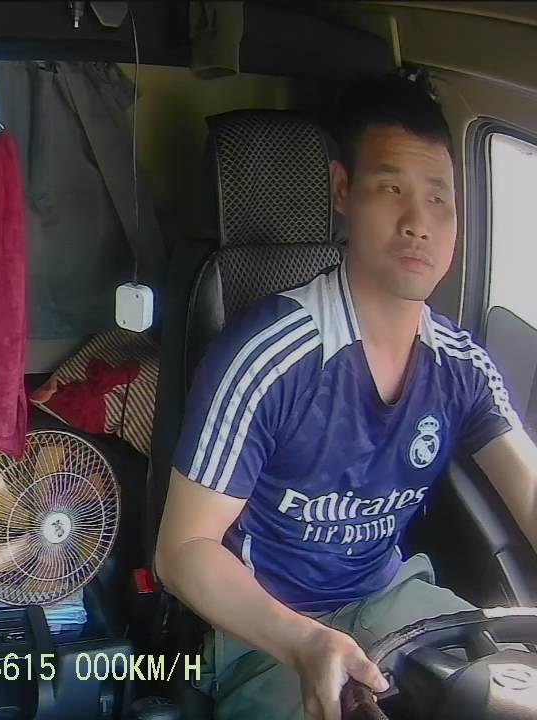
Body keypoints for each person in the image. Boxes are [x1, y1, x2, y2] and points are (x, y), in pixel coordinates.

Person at [154, 73, 537, 720]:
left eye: (439, 199)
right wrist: (304, 643)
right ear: (342, 192)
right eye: (391, 189)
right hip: (265, 628)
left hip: (394, 599)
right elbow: (182, 552)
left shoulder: (462, 365)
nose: (418, 223)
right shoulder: (268, 356)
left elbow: (528, 485)